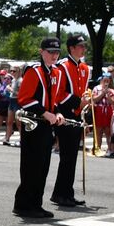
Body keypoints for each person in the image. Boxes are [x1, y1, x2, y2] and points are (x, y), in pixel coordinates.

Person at [12, 37, 67, 219]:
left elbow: (55, 99)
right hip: (33, 122)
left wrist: (57, 112)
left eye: (57, 52)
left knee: (43, 166)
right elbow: (25, 99)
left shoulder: (56, 73)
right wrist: (45, 113)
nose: (54, 55)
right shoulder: (34, 71)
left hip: (46, 123)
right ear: (41, 52)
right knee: (31, 165)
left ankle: (35, 203)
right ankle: (24, 204)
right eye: (50, 52)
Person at [50, 34, 91, 207]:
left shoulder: (84, 68)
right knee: (67, 156)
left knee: (72, 156)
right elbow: (58, 94)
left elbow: (83, 91)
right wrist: (77, 101)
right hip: (65, 113)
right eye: (80, 46)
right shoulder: (62, 66)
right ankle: (61, 194)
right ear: (72, 48)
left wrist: (87, 101)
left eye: (84, 46)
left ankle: (66, 193)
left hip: (77, 114)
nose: (83, 49)